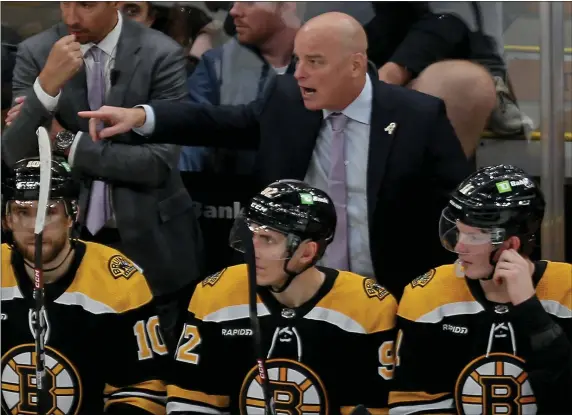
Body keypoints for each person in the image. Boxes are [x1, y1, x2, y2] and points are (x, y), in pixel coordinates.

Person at [77, 11, 472, 299]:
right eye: (298, 60)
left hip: (392, 293)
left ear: (355, 65)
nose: (299, 73)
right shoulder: (286, 101)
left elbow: (455, 211)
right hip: (296, 291)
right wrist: (141, 115)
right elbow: (218, 122)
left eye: (315, 63)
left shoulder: (418, 117)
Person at [1, 1, 204, 349]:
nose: (71, 17)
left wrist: (65, 141)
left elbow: (157, 163)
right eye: (64, 3)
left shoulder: (162, 54)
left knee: (154, 369)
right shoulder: (38, 52)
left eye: (86, 4)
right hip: (64, 244)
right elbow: (16, 155)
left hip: (150, 241)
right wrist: (45, 87)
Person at [166, 179, 398, 414]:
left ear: (307, 252)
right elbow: (191, 402)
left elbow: (372, 407)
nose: (252, 249)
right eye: (251, 234)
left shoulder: (368, 307)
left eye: (267, 239)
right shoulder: (216, 293)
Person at [388, 164, 572, 414]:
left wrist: (532, 312)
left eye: (474, 237)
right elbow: (412, 403)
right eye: (459, 232)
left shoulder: (568, 290)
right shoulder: (429, 294)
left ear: (511, 245)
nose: (460, 247)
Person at [1, 157, 167, 415]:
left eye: (49, 211)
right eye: (23, 213)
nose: (36, 227)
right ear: (7, 220)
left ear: (72, 215)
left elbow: (143, 389)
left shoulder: (119, 282)